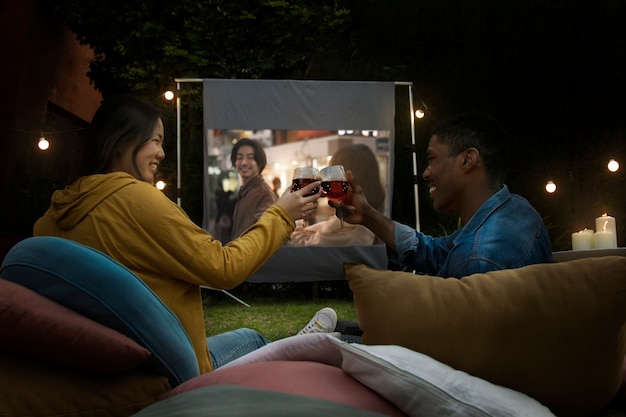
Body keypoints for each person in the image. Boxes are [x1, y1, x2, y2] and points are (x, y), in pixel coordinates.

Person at [33, 94, 323, 373]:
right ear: (121, 142)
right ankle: (305, 352)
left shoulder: (53, 215)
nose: (161, 152)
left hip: (103, 362)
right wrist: (283, 214)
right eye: (155, 140)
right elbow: (224, 268)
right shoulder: (136, 199)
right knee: (252, 339)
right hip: (162, 368)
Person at [338, 112, 554, 278]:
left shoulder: (477, 261)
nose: (425, 173)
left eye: (432, 159)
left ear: (467, 160)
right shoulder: (518, 209)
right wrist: (366, 215)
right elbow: (436, 253)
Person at [289, 143, 385, 247]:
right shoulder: (375, 218)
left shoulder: (342, 227)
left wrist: (296, 220)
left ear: (347, 177)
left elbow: (302, 247)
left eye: (333, 173)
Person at [229, 138, 278, 240]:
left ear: (259, 162)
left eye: (250, 158)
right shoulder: (245, 192)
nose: (244, 163)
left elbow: (263, 234)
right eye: (239, 157)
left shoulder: (264, 194)